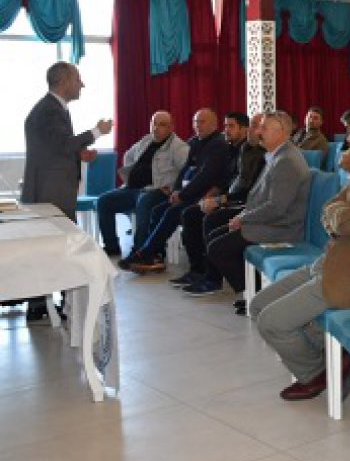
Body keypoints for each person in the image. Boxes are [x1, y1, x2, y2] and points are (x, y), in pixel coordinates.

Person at [250, 107, 350, 401]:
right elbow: (330, 208)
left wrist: (339, 216)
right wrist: (339, 216)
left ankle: (319, 373)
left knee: (271, 322)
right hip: (333, 261)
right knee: (258, 305)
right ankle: (334, 360)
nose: (347, 138)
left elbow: (346, 222)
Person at [184, 112, 312, 306]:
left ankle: (255, 296)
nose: (259, 132)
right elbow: (261, 198)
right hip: (270, 220)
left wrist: (243, 218)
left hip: (281, 227)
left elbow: (276, 208)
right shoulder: (278, 154)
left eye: (264, 128)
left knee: (218, 248)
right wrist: (243, 215)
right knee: (215, 235)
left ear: (281, 132)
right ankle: (252, 292)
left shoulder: (286, 160)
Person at [21, 61, 112, 320]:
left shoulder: (52, 108)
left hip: (53, 190)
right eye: (78, 79)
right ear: (63, 81)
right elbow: (62, 144)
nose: (82, 84)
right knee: (53, 249)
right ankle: (44, 304)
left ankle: (42, 304)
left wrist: (79, 153)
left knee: (50, 249)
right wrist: (97, 131)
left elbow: (55, 147)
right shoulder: (49, 109)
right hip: (51, 193)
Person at [118, 108, 229, 272]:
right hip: (191, 193)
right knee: (157, 211)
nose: (197, 125)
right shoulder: (194, 142)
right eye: (195, 122)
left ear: (214, 124)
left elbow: (205, 175)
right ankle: (155, 255)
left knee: (172, 212)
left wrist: (182, 194)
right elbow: (184, 170)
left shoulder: (218, 145)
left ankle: (145, 253)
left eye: (202, 122)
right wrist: (177, 190)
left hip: (209, 194)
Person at [171, 113, 266, 289]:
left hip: (245, 204)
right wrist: (215, 195)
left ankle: (212, 279)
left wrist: (220, 200)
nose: (226, 130)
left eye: (231, 126)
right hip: (233, 197)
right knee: (190, 213)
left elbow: (250, 192)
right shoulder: (242, 149)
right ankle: (199, 271)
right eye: (225, 126)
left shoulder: (263, 155)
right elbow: (227, 179)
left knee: (207, 218)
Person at [96, 111, 188, 257]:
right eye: (154, 124)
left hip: (157, 191)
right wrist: (131, 175)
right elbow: (128, 155)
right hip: (132, 189)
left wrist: (173, 188)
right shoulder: (146, 140)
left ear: (171, 127)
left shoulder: (178, 147)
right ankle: (111, 246)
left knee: (144, 202)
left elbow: (187, 171)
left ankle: (140, 252)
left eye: (162, 125)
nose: (156, 128)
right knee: (103, 201)